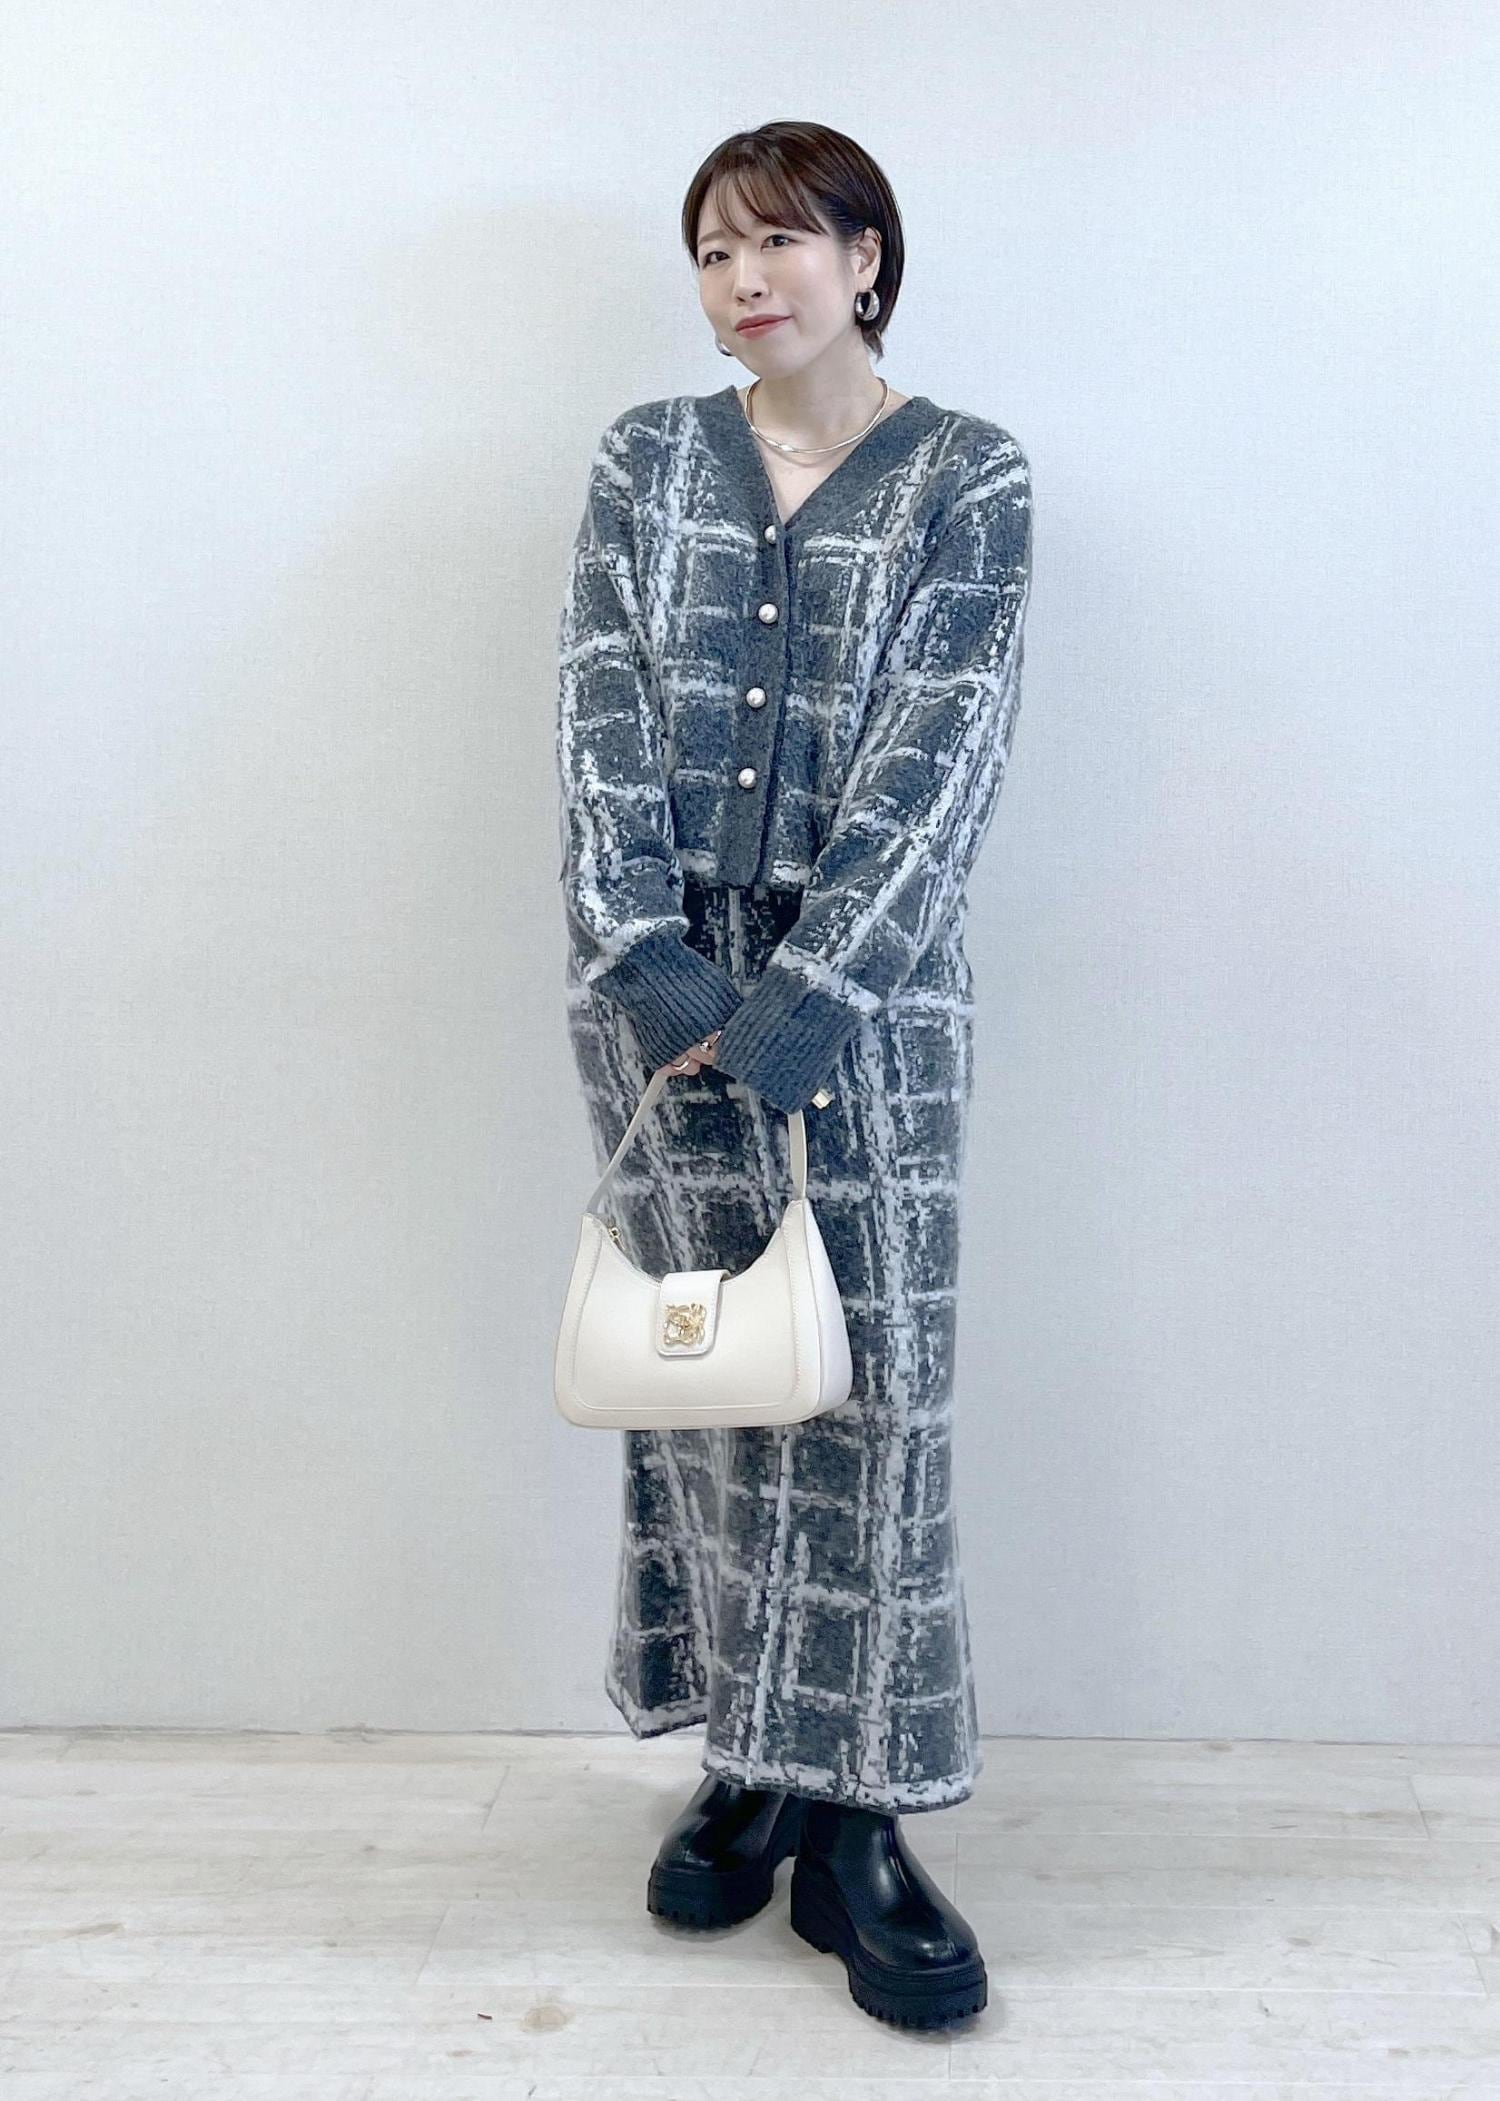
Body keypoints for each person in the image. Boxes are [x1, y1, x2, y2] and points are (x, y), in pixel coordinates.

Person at [555, 119, 1033, 2030]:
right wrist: (654, 963)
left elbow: (944, 754)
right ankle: (744, 1757)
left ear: (866, 258)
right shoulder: (643, 461)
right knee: (709, 1380)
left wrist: (809, 999)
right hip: (657, 993)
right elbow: (595, 716)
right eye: (713, 252)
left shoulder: (969, 476)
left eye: (781, 242)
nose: (745, 280)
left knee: (871, 1387)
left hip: (876, 1003)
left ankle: (858, 1818)